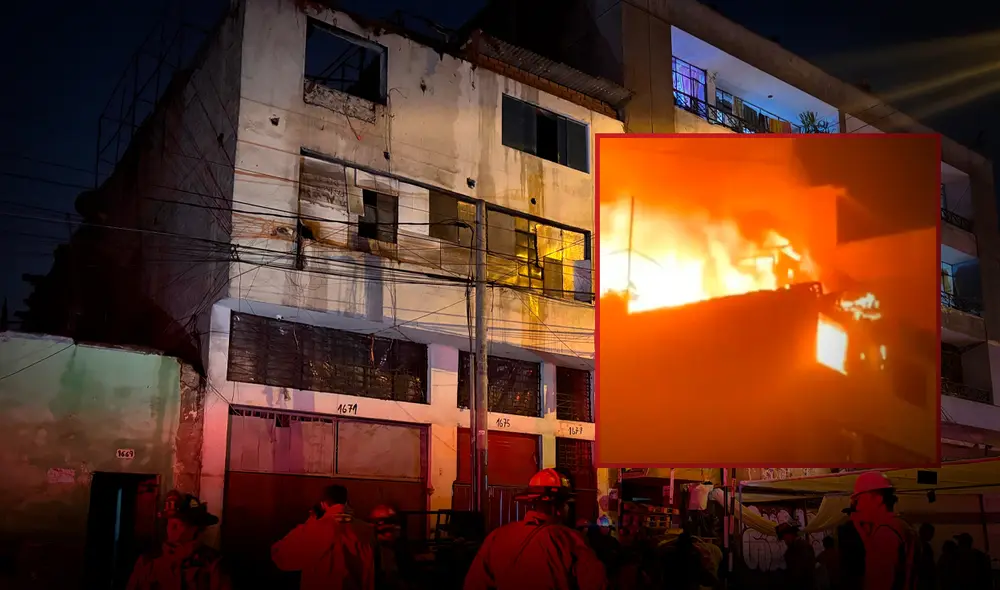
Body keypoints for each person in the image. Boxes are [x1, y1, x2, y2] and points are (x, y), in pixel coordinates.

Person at [463, 468, 607, 590]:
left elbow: (474, 584)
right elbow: (597, 585)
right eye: (567, 504)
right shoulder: (572, 540)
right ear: (559, 508)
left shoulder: (496, 537)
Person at [271, 484, 376, 590]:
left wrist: (312, 519)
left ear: (323, 504)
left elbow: (280, 555)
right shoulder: (367, 530)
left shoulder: (313, 530)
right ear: (347, 502)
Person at [126, 493, 231, 590]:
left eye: (179, 524)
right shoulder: (148, 561)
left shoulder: (212, 564)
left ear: (194, 528)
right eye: (169, 523)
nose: (171, 528)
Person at [847, 471, 916, 590]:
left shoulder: (885, 532)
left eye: (860, 499)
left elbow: (881, 582)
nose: (857, 507)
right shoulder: (901, 525)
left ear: (878, 499)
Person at [370, 505, 409, 590]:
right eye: (378, 521)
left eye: (384, 521)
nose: (381, 523)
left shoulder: (398, 540)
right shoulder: (374, 540)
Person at [775, 522, 816, 590]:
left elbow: (805, 571)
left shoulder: (802, 546)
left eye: (785, 537)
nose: (785, 541)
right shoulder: (791, 549)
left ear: (790, 534)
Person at [913, 523, 936, 590]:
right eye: (931, 533)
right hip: (923, 579)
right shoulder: (923, 546)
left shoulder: (917, 544)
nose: (932, 535)